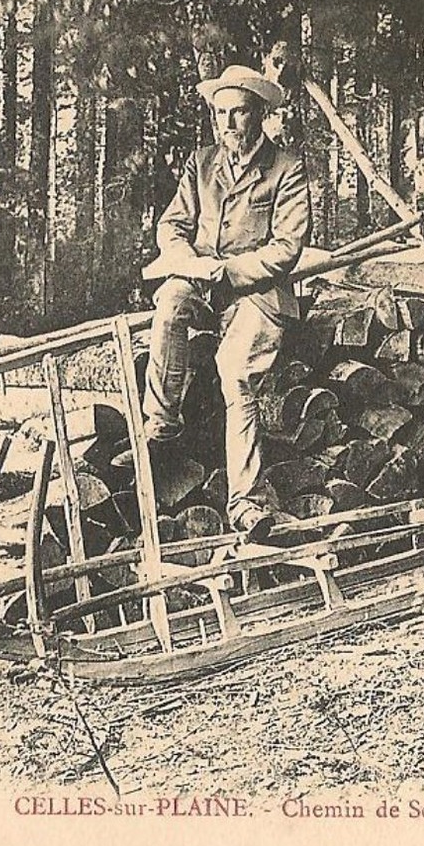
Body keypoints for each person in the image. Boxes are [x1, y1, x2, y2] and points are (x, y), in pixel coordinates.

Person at [139, 64, 312, 541]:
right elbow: (173, 224)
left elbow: (286, 248)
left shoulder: (287, 167)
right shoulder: (201, 163)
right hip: (203, 282)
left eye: (238, 114)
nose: (228, 125)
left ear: (259, 115)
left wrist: (228, 272)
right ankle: (162, 422)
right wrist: (182, 258)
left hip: (257, 293)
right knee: (170, 301)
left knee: (236, 373)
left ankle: (249, 503)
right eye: (220, 115)